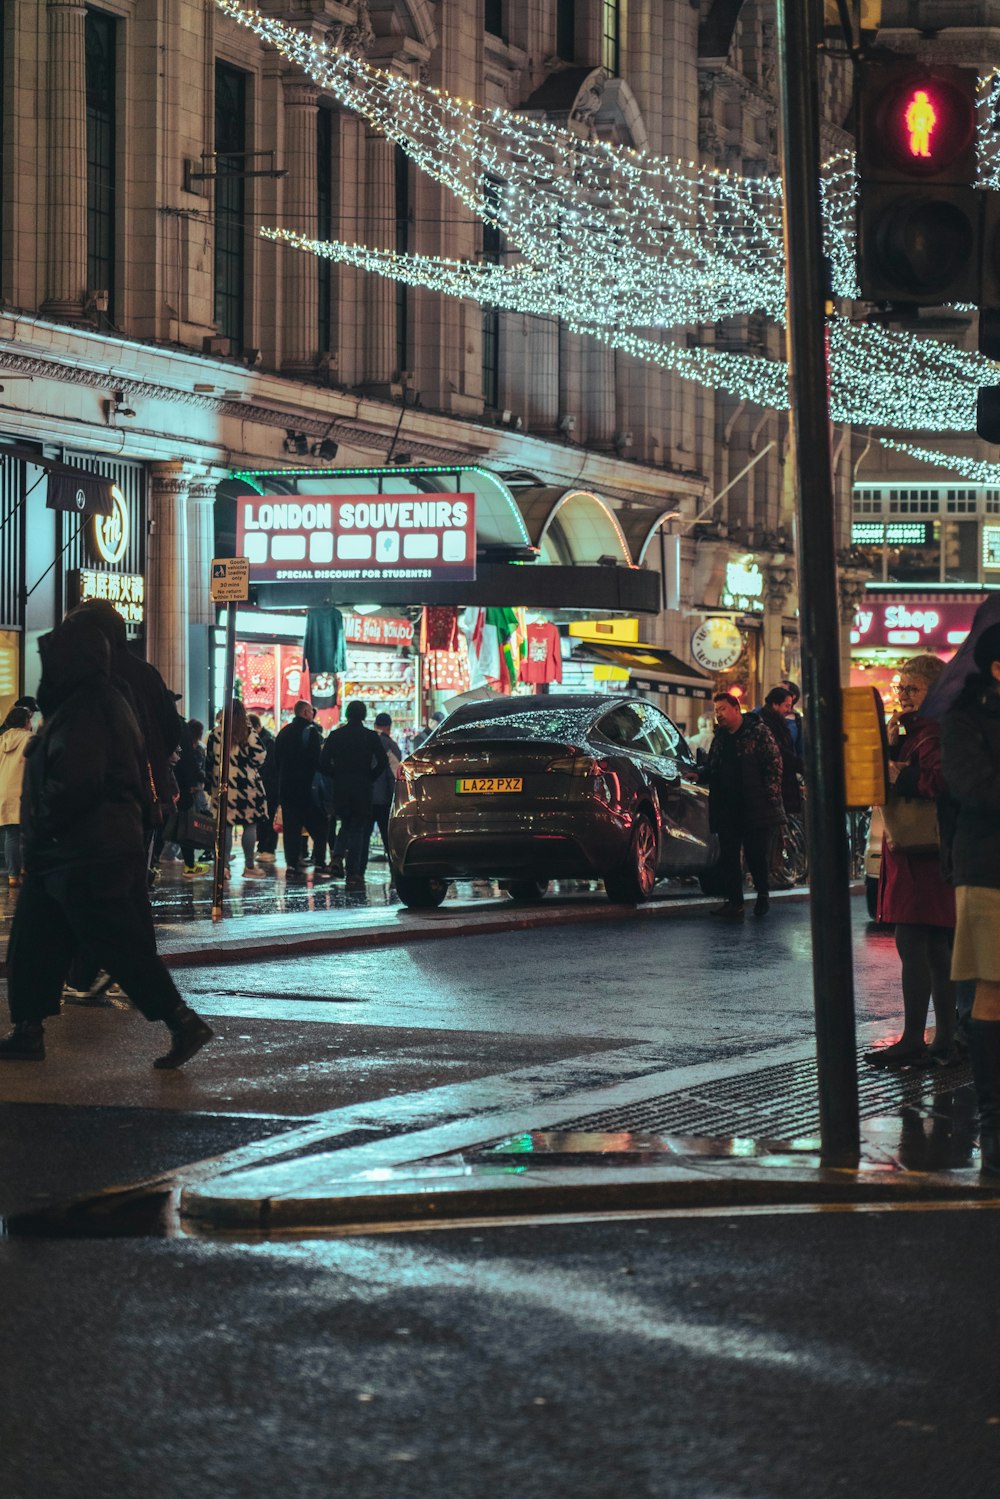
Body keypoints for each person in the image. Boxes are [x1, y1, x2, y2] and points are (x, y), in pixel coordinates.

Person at [0, 617, 212, 1067]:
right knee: (34, 940)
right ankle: (28, 1028)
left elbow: (79, 780)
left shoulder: (92, 705)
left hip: (84, 852)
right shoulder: (89, 700)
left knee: (117, 945)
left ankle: (181, 1020)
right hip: (70, 852)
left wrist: (43, 822)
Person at [867, 654, 957, 1070]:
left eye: (912, 689)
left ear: (933, 692)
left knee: (914, 941)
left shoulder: (931, 731)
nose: (902, 695)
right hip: (921, 850)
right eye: (900, 687)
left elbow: (942, 781)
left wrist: (898, 774)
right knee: (937, 946)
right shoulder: (910, 730)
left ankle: (914, 1038)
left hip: (923, 852)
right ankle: (943, 1038)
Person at [941, 621, 1000, 1175]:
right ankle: (994, 1122)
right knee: (991, 993)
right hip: (990, 873)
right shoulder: (966, 722)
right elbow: (974, 788)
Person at [701, 691, 783, 919]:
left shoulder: (757, 732)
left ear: (736, 709)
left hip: (754, 806)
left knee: (756, 854)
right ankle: (734, 902)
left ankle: (762, 895)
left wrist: (770, 796)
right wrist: (701, 773)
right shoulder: (720, 737)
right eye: (717, 711)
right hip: (727, 806)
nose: (719, 715)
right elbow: (713, 765)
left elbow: (773, 765)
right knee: (729, 855)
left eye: (723, 709)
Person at [319, 700, 388, 891]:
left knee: (345, 823)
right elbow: (382, 762)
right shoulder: (370, 737)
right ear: (364, 715)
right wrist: (370, 777)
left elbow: (323, 763)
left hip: (341, 787)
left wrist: (337, 775)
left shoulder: (335, 735)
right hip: (363, 788)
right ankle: (353, 873)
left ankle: (337, 857)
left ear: (347, 715)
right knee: (357, 828)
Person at [206, 700, 268, 878]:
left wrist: (210, 784)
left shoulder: (216, 733)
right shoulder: (247, 732)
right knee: (249, 825)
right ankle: (249, 866)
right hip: (246, 787)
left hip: (223, 785)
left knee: (224, 826)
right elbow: (261, 755)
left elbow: (208, 761)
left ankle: (223, 867)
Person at [274, 699, 324, 874]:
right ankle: (319, 860)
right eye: (311, 711)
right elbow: (317, 760)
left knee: (291, 829)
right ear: (304, 713)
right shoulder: (311, 732)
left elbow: (276, 760)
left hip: (287, 788)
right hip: (307, 789)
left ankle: (292, 862)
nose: (313, 714)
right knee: (318, 826)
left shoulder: (283, 732)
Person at [0, 706, 32, 888]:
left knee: (11, 835)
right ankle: (25, 870)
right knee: (26, 833)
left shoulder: (1, 740)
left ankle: (12, 875)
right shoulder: (30, 739)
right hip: (23, 790)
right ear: (25, 722)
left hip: (4, 791)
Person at [758, 686, 803, 817]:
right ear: (775, 704)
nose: (789, 710)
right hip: (778, 786)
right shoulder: (765, 724)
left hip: (784, 783)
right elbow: (779, 752)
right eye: (786, 706)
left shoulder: (777, 722)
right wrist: (802, 766)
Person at [370, 711, 402, 859]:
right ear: (389, 727)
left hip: (365, 797)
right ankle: (394, 873)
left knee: (362, 838)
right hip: (384, 801)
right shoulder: (391, 746)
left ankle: (355, 873)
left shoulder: (365, 741)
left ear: (374, 725)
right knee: (388, 840)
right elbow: (394, 774)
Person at [248, 714, 279, 863]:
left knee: (269, 816)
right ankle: (262, 847)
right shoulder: (264, 741)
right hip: (262, 785)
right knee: (262, 817)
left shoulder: (267, 742)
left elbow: (270, 768)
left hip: (269, 786)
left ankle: (268, 848)